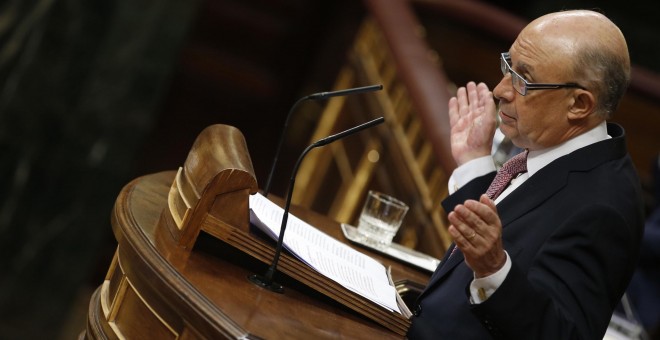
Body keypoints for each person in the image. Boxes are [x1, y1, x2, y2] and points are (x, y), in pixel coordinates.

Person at [407, 10, 645, 339]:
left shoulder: (604, 209)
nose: (500, 90)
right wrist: (473, 162)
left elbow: (561, 333)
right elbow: (510, 235)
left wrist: (493, 269)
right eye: (508, 66)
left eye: (523, 80)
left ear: (579, 104)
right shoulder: (557, 147)